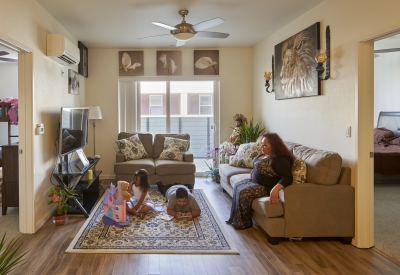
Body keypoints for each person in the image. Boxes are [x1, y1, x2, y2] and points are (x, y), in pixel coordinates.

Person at [226, 132, 294, 230]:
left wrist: (275, 189)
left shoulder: (280, 159)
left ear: (274, 146)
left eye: (265, 145)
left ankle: (243, 223)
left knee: (244, 192)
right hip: (255, 182)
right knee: (238, 186)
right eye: (261, 143)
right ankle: (235, 219)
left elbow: (288, 177)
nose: (261, 146)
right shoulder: (266, 154)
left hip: (266, 187)